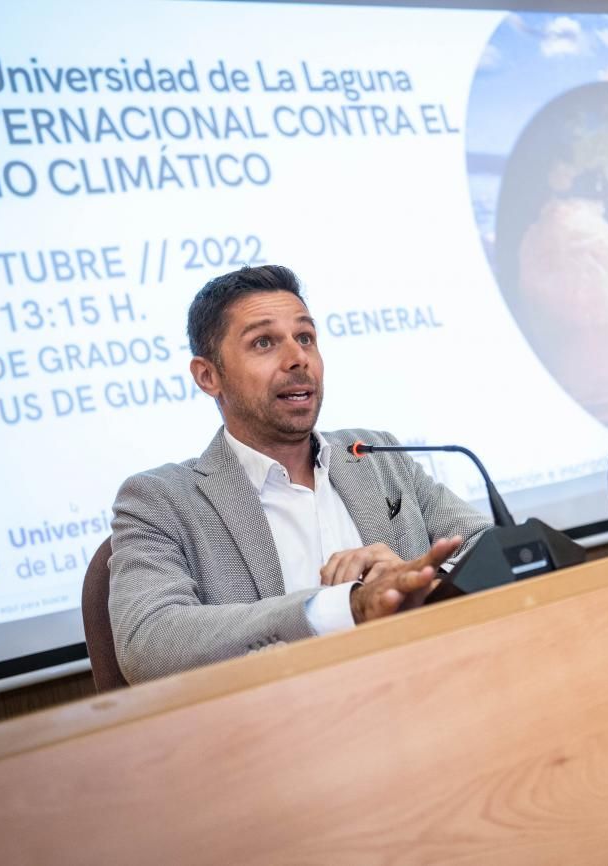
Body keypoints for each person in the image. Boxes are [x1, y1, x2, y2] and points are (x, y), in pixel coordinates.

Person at [109, 265, 491, 684]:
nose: (298, 359)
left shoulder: (379, 456)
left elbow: (488, 547)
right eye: (264, 342)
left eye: (305, 337)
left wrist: (416, 581)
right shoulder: (159, 500)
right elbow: (149, 643)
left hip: (432, 691)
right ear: (208, 376)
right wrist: (348, 607)